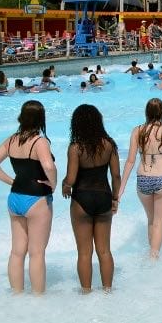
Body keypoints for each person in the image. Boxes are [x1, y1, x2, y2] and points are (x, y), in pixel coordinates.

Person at [0, 100, 57, 293]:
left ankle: (17, 297)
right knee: (36, 253)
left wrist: (11, 181)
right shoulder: (39, 141)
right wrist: (53, 184)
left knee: (17, 252)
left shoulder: (11, 140)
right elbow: (49, 166)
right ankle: (38, 299)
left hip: (14, 198)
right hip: (37, 200)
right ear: (41, 118)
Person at [119, 98, 162, 259]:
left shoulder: (137, 131)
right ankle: (153, 259)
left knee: (151, 220)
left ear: (147, 112)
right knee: (159, 222)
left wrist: (121, 189)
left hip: (142, 179)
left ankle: (151, 255)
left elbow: (130, 161)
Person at [61, 104, 120, 293]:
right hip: (104, 197)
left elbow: (71, 178)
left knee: (85, 252)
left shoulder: (76, 148)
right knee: (104, 251)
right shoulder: (109, 144)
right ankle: (108, 292)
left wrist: (65, 185)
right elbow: (116, 176)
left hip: (82, 199)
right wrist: (115, 198)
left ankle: (86, 294)